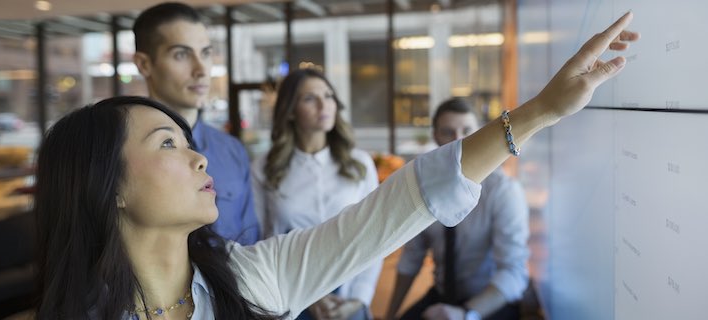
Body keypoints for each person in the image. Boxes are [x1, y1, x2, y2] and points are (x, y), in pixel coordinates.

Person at [32, 13, 639, 320]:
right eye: (166, 144)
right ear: (105, 184)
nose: (197, 155)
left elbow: (399, 205)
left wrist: (538, 113)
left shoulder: (252, 280)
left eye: (188, 141)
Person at [251, 68, 382, 320]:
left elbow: (374, 236)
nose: (324, 104)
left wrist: (359, 298)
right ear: (290, 111)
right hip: (289, 296)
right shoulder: (264, 168)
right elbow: (259, 242)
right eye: (310, 98)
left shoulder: (359, 164)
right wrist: (308, 294)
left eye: (329, 95)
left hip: (349, 294)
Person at [385, 98, 529, 320]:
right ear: (435, 136)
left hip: (489, 302)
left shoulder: (503, 191)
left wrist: (465, 314)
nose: (460, 140)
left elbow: (513, 273)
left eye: (468, 130)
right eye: (448, 132)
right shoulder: (424, 187)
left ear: (481, 132)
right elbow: (411, 259)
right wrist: (389, 315)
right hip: (442, 296)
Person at [132, 2, 260, 245]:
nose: (201, 70)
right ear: (144, 64)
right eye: (181, 54)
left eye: (206, 53)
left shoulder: (231, 151)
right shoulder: (124, 153)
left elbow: (251, 244)